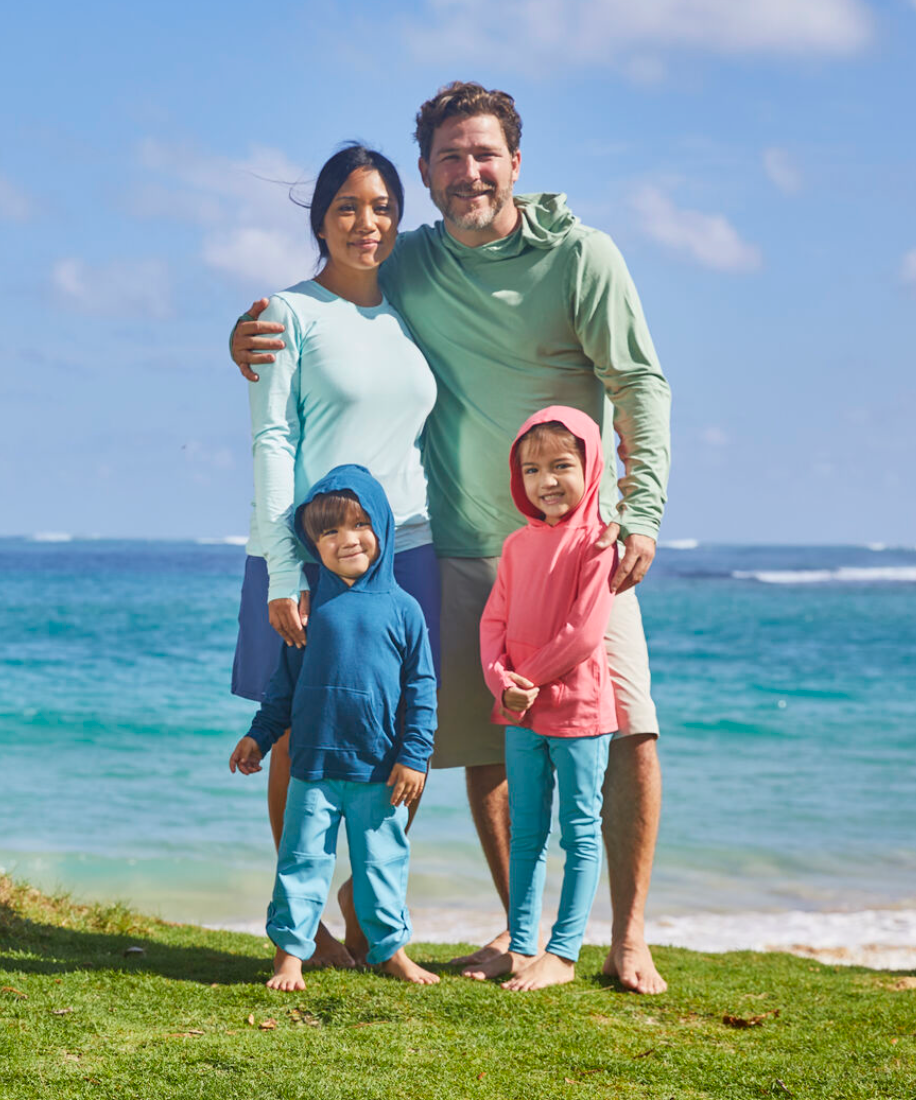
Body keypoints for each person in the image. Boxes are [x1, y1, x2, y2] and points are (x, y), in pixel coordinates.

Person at [230, 82, 673, 993]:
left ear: (515, 160)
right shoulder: (395, 268)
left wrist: (642, 510)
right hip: (429, 548)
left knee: (616, 730)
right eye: (447, 158)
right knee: (463, 744)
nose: (467, 172)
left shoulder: (566, 259)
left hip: (555, 548)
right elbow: (309, 336)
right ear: (429, 174)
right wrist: (246, 335)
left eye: (484, 154)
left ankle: (623, 941)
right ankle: (473, 935)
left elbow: (639, 382)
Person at [230, 144, 440, 967]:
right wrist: (288, 568)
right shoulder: (286, 313)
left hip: (408, 549)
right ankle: (305, 924)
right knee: (298, 736)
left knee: (400, 735)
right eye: (348, 206)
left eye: (383, 205)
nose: (368, 222)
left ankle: (366, 896)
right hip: (310, 553)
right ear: (319, 217)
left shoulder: (407, 313)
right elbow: (273, 438)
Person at [229, 466, 438, 991]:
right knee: (301, 864)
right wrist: (258, 734)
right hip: (313, 769)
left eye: (360, 524)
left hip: (379, 770)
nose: (347, 540)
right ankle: (290, 957)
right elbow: (283, 687)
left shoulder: (405, 611)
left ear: (384, 528)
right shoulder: (308, 611)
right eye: (329, 532)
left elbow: (422, 692)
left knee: (384, 863)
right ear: (313, 544)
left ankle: (391, 951)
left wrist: (414, 757)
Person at [470, 407, 617, 990]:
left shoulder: (599, 543)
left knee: (579, 831)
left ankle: (562, 953)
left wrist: (523, 680)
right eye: (532, 469)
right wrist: (501, 683)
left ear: (591, 466)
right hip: (519, 713)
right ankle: (520, 944)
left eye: (561, 465)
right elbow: (493, 621)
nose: (546, 481)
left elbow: (583, 633)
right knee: (526, 831)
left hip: (578, 711)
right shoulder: (515, 546)